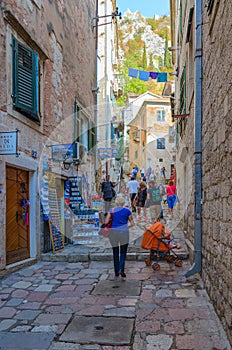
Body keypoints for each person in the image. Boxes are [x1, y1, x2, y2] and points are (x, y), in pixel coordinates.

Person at [104, 196, 134, 280]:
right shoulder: (127, 211)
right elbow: (132, 223)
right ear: (123, 202)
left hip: (113, 233)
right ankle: (121, 268)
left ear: (116, 203)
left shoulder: (112, 211)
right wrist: (126, 226)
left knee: (115, 252)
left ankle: (116, 271)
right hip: (124, 232)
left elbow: (106, 222)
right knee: (123, 252)